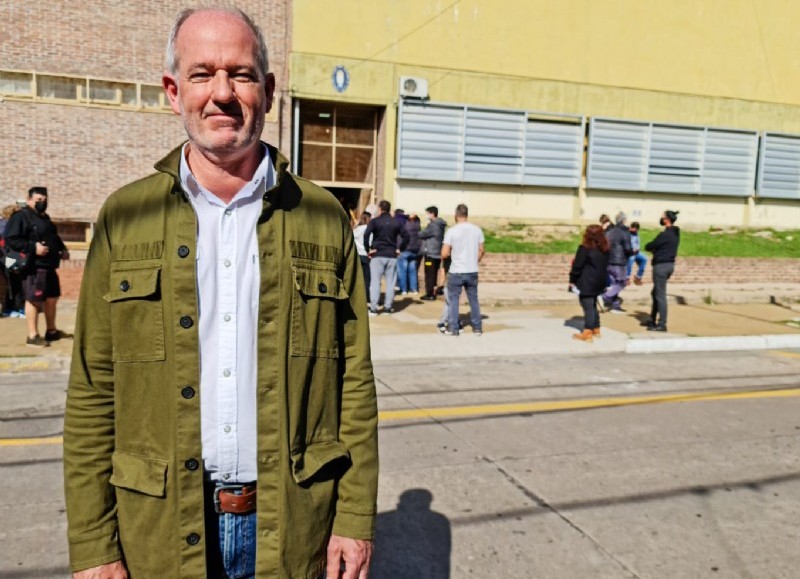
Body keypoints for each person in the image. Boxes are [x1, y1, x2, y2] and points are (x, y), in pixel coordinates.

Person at [63, 8, 378, 579]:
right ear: (172, 89)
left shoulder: (322, 217)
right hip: (156, 530)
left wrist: (353, 517)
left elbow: (352, 381)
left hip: (291, 525)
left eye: (241, 73)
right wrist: (94, 546)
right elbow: (92, 391)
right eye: (202, 73)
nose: (222, 94)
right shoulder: (126, 217)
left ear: (269, 90)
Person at [3, 187, 71, 345]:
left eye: (45, 200)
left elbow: (54, 237)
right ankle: (33, 336)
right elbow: (12, 239)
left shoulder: (45, 218)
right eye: (38, 200)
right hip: (34, 266)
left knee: (52, 298)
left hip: (50, 265)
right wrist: (34, 248)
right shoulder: (21, 216)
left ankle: (51, 331)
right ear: (29, 200)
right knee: (33, 300)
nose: (42, 203)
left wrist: (63, 249)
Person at [441, 204, 484, 336]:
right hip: (472, 269)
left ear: (456, 215)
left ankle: (453, 328)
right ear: (467, 215)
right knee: (473, 299)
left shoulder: (452, 231)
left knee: (453, 300)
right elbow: (482, 250)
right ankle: (477, 327)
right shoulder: (477, 230)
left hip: (457, 270)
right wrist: (474, 260)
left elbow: (444, 253)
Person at [364, 199, 408, 315]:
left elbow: (366, 234)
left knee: (375, 282)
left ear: (380, 209)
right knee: (390, 283)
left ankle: (373, 308)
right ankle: (388, 307)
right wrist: (400, 249)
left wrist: (367, 249)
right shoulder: (396, 222)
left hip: (377, 254)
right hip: (392, 255)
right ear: (389, 209)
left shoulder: (375, 221)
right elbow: (406, 236)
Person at [569, 224, 611, 342]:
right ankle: (596, 328)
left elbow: (577, 266)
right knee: (593, 304)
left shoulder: (584, 248)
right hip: (600, 281)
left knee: (588, 306)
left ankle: (587, 332)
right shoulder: (605, 249)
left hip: (586, 281)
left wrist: (572, 280)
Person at [643, 210, 681, 332]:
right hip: (669, 265)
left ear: (666, 220)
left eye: (662, 216)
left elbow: (649, 246)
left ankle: (662, 324)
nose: (660, 217)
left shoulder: (665, 235)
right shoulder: (675, 233)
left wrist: (654, 250)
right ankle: (652, 319)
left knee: (660, 295)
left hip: (661, 267)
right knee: (655, 293)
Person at [600, 211, 633, 313]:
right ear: (624, 220)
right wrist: (632, 252)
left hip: (609, 261)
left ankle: (615, 305)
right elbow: (628, 248)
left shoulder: (609, 232)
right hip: (619, 261)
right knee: (622, 283)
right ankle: (604, 297)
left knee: (614, 284)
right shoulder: (624, 232)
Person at [418, 206, 446, 301]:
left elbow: (422, 234)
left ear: (432, 213)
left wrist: (417, 232)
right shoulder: (440, 224)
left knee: (429, 274)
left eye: (427, 213)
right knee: (433, 274)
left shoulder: (433, 225)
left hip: (431, 253)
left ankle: (429, 294)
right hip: (437, 253)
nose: (426, 215)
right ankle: (432, 291)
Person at [397, 213, 421, 296]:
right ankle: (414, 289)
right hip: (415, 250)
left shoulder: (404, 225)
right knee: (413, 271)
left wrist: (398, 248)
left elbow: (400, 238)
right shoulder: (417, 225)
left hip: (405, 250)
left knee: (402, 271)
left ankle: (403, 289)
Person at [353, 212, 371, 303]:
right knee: (367, 278)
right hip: (366, 254)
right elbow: (370, 242)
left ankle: (358, 297)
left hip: (357, 255)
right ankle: (367, 297)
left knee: (358, 278)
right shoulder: (368, 229)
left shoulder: (356, 229)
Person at [626, 221, 647, 285]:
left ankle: (638, 277)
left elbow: (638, 243)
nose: (635, 231)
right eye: (634, 229)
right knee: (631, 259)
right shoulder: (627, 233)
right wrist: (631, 250)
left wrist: (637, 249)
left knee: (644, 258)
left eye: (636, 230)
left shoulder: (636, 234)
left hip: (636, 252)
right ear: (631, 227)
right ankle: (627, 278)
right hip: (629, 252)